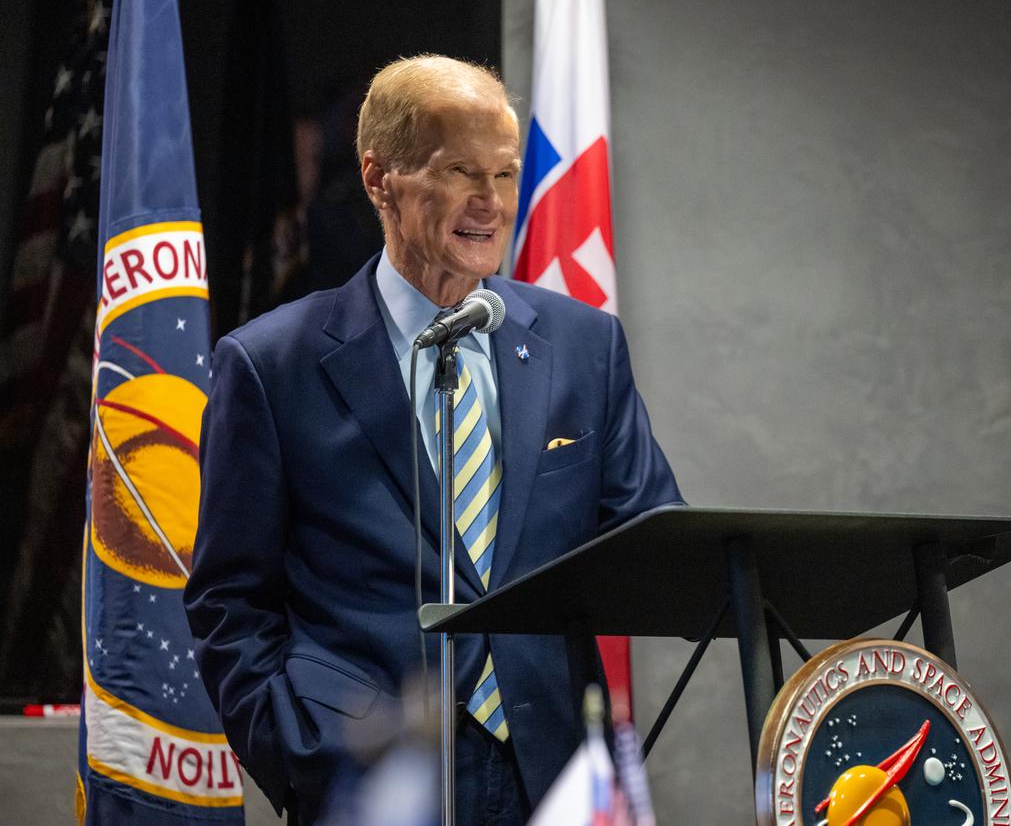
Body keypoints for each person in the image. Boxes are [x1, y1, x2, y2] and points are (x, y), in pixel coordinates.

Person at [185, 55, 681, 825]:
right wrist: (302, 754)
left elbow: (655, 550)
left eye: (507, 175)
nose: (491, 202)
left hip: (550, 773)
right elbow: (229, 598)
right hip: (368, 774)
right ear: (379, 177)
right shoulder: (270, 363)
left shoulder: (585, 348)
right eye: (460, 172)